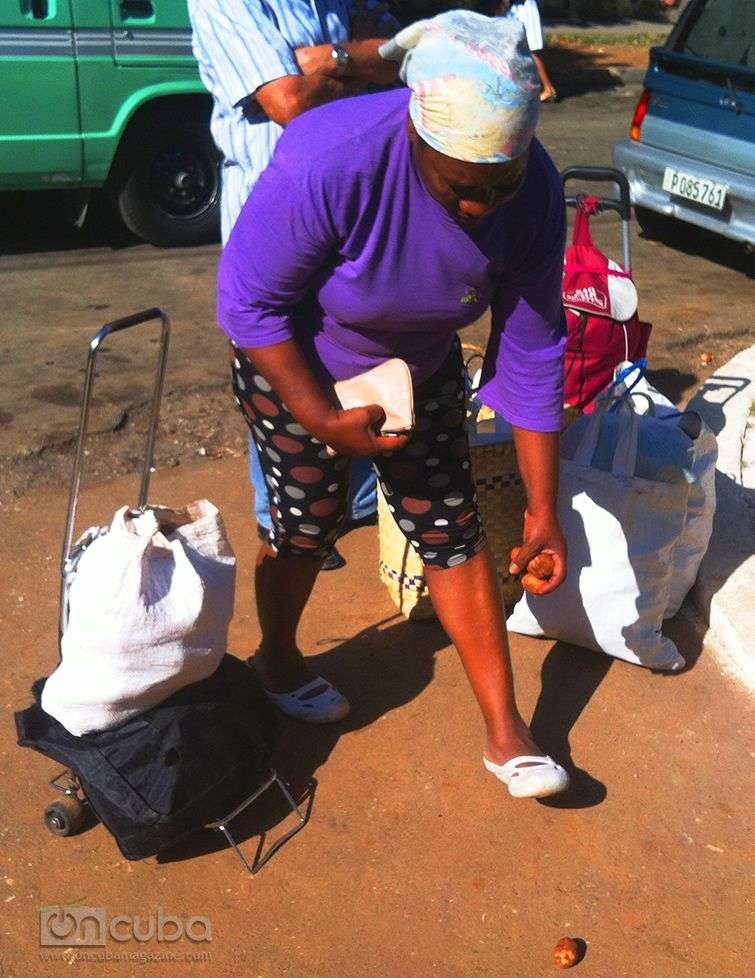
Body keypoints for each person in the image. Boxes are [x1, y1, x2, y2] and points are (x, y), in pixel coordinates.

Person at [219, 10, 570, 800]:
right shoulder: (330, 157)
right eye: (460, 189)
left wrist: (544, 509)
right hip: (299, 364)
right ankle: (276, 657)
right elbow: (249, 306)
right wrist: (316, 416)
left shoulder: (536, 188)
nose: (481, 209)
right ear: (414, 133)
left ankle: (505, 730)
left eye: (499, 186)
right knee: (305, 525)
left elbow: (531, 347)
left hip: (416, 367)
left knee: (450, 524)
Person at [188, 0, 399, 568]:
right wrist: (360, 72)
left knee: (346, 347)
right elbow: (290, 103)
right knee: (280, 365)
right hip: (272, 217)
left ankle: (344, 506)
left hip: (347, 205)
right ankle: (285, 518)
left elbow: (400, 60)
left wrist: (331, 61)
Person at [506, 0, 557, 101]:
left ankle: (548, 89)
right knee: (512, 48)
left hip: (527, 9)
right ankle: (520, 88)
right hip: (517, 8)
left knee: (531, 50)